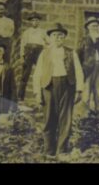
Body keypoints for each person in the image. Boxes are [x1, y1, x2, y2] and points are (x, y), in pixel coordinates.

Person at [33, 23, 84, 156]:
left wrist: (79, 90)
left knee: (65, 119)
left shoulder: (71, 52)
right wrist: (37, 93)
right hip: (49, 86)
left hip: (67, 86)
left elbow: (79, 71)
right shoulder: (44, 53)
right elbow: (37, 73)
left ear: (64, 37)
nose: (57, 38)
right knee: (49, 118)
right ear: (50, 37)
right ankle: (49, 150)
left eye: (60, 35)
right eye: (54, 35)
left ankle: (62, 150)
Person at [78, 17, 99, 112]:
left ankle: (98, 115)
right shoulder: (84, 40)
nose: (95, 28)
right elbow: (78, 56)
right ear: (88, 27)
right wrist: (82, 69)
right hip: (87, 69)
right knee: (86, 92)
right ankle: (83, 116)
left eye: (96, 26)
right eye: (93, 26)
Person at [17, 12, 47, 101]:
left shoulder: (43, 32)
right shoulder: (27, 32)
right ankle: (20, 96)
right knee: (25, 75)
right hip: (29, 52)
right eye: (33, 20)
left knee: (41, 73)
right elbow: (22, 45)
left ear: (39, 22)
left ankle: (41, 96)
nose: (35, 22)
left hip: (39, 52)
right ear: (30, 22)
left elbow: (48, 42)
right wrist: (22, 56)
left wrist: (45, 49)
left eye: (37, 20)